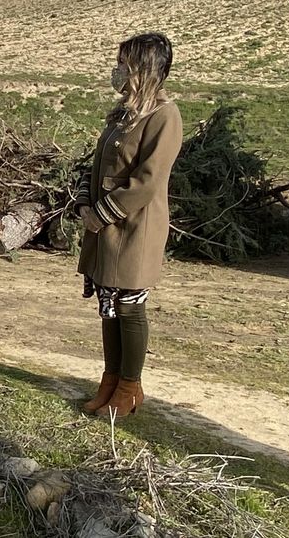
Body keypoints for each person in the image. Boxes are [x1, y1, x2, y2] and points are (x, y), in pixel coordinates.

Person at [76, 32, 183, 418]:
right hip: (106, 227)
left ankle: (129, 388)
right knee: (108, 306)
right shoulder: (124, 113)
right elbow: (98, 165)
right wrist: (84, 202)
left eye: (124, 63)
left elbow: (147, 181)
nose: (117, 69)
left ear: (144, 68)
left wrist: (101, 212)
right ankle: (109, 381)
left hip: (135, 227)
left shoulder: (164, 116)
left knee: (129, 307)